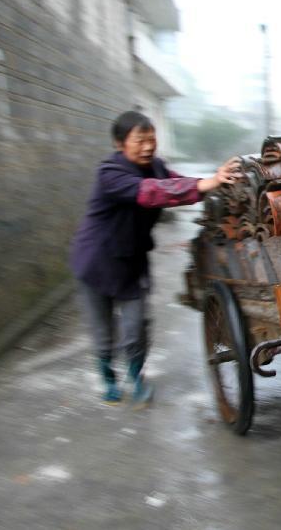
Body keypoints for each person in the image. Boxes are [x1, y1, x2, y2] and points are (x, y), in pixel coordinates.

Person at [70, 111, 240, 407]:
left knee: (136, 327)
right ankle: (107, 376)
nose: (148, 146)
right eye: (140, 140)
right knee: (103, 330)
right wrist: (206, 183)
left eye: (152, 139)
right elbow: (151, 193)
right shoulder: (110, 172)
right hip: (96, 261)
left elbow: (179, 187)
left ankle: (136, 377)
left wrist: (216, 181)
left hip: (132, 261)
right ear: (120, 143)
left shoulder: (156, 167)